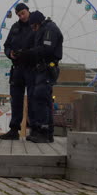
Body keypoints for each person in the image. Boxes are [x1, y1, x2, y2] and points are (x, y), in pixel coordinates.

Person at [23, 11, 63, 143]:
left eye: (34, 27)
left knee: (41, 98)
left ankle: (45, 131)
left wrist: (28, 52)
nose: (33, 30)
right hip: (42, 69)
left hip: (47, 69)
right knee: (40, 99)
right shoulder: (44, 29)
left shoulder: (50, 30)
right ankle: (44, 131)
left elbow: (47, 49)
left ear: (38, 23)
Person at [0, 3, 36, 140]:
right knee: (16, 100)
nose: (21, 16)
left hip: (31, 67)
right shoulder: (15, 27)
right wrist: (10, 54)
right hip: (17, 68)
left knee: (33, 99)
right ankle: (14, 129)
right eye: (19, 15)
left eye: (23, 13)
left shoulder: (36, 25)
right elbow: (6, 45)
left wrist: (27, 53)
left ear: (28, 11)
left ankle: (35, 129)